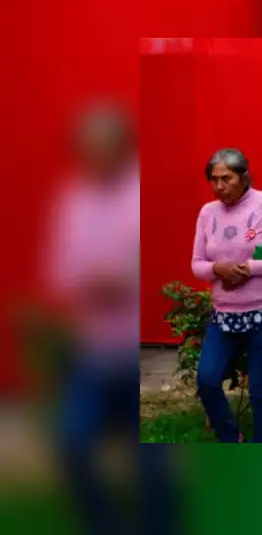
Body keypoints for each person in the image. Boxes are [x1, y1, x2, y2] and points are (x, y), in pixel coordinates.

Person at [49, 103, 176, 534]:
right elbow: (62, 272)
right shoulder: (74, 200)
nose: (96, 155)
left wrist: (114, 279)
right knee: (72, 442)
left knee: (152, 462)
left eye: (104, 147)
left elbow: (142, 266)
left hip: (130, 350)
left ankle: (160, 525)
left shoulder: (135, 196)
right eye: (89, 148)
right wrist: (97, 281)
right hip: (93, 353)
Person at [192, 149, 262, 442]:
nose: (219, 186)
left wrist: (249, 268)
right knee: (207, 381)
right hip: (224, 316)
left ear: (243, 177)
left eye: (226, 179)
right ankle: (231, 440)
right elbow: (197, 265)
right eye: (214, 179)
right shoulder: (208, 212)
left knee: (260, 390)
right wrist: (218, 268)